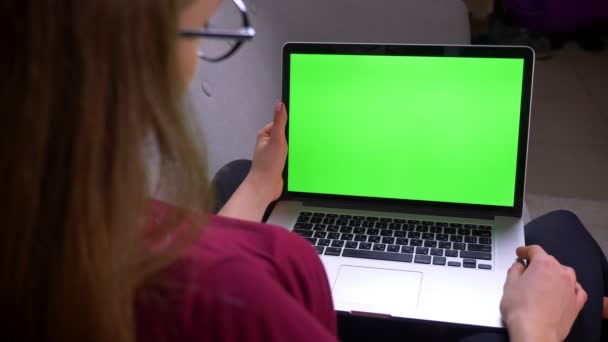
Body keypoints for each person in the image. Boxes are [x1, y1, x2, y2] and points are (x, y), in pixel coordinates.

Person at [1, 1, 606, 342]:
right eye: (197, 27)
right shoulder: (233, 305)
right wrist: (537, 335)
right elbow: (207, 274)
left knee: (243, 169)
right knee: (561, 239)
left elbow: (200, 249)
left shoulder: (67, 239)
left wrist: (262, 184)